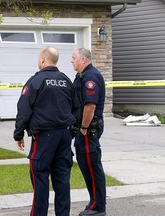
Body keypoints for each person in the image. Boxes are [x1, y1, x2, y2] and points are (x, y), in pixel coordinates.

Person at [13, 47, 77, 216]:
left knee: (40, 178)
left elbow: (24, 110)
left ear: (42, 59)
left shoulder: (36, 81)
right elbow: (75, 108)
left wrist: (18, 134)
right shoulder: (66, 80)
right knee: (62, 180)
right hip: (64, 136)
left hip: (44, 138)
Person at [71, 48, 106, 216]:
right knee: (87, 166)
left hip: (87, 130)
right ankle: (94, 201)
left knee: (92, 167)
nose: (72, 61)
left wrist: (84, 128)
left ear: (83, 59)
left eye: (73, 58)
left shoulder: (90, 77)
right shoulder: (82, 76)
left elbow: (90, 106)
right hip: (83, 129)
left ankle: (98, 207)